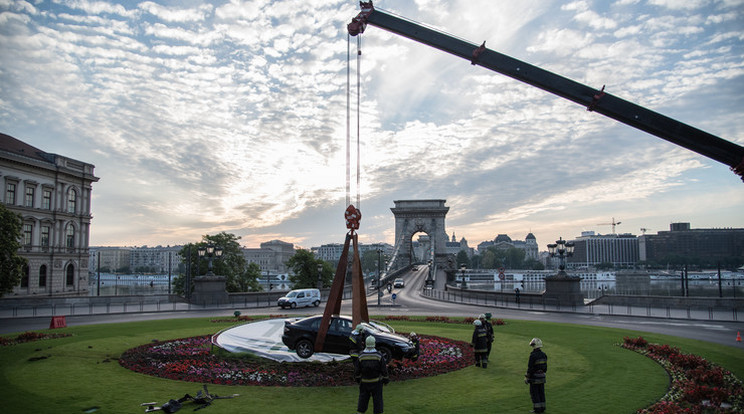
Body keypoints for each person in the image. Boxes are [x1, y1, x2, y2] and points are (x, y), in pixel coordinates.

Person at [355, 335, 389, 414]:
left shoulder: (361, 356)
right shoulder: (378, 355)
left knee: (363, 399)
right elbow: (384, 369)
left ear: (366, 343)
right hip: (376, 382)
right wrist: (386, 379)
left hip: (364, 382)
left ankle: (360, 412)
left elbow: (357, 370)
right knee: (378, 400)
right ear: (374, 343)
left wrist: (358, 379)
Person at [525, 337, 548, 413]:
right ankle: (543, 408)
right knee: (541, 392)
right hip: (542, 377)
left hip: (534, 378)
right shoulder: (544, 355)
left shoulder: (533, 356)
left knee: (535, 394)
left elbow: (530, 368)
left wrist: (527, 377)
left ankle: (537, 409)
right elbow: (545, 367)